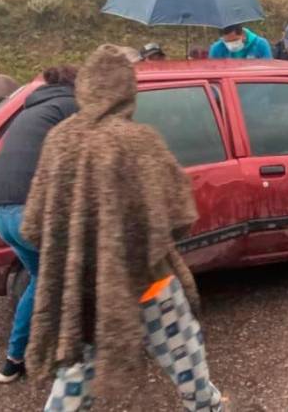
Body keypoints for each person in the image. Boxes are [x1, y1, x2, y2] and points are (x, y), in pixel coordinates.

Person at [20, 45, 225, 411]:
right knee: (184, 352)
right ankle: (207, 405)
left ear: (85, 87)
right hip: (148, 281)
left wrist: (79, 249)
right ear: (127, 89)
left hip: (84, 285)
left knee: (79, 366)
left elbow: (34, 225)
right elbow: (180, 215)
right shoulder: (138, 140)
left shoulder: (59, 140)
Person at [0, 65, 79, 383]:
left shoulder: (31, 110)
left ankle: (12, 362)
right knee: (78, 274)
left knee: (42, 279)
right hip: (28, 210)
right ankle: (73, 360)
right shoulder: (70, 106)